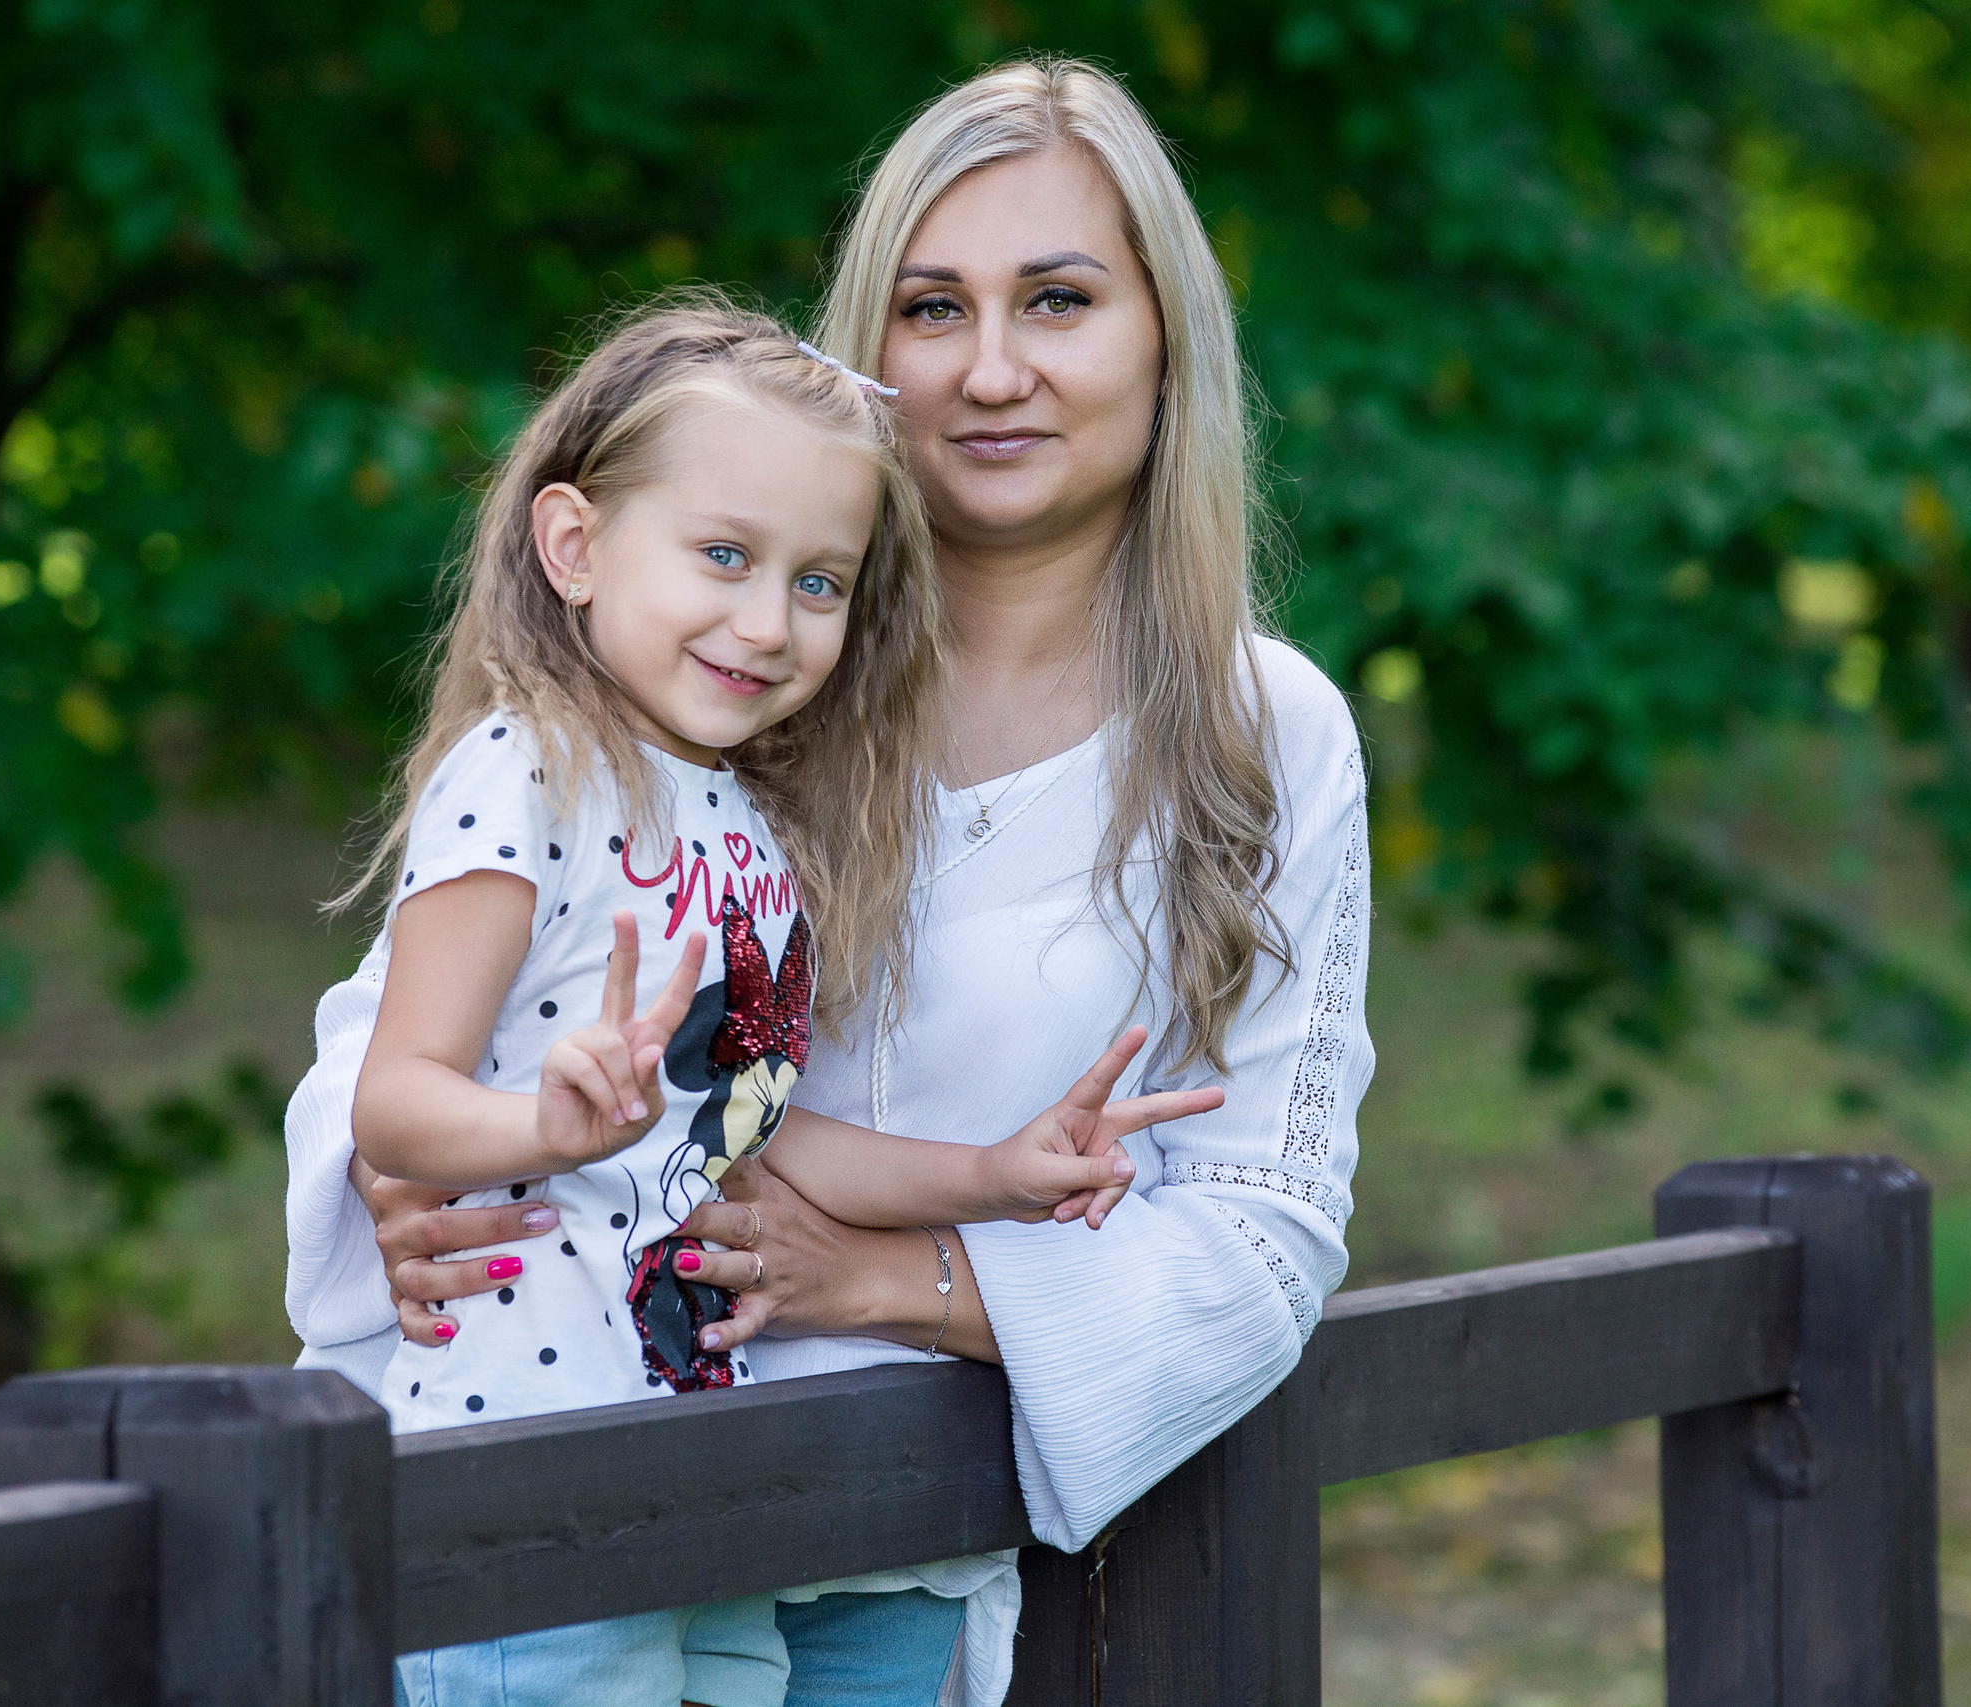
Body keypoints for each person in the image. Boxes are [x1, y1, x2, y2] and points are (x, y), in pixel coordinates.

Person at [286, 59, 1373, 1706]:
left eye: (1059, 300)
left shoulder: (1254, 733)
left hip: (889, 1541)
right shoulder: (724, 671)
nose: (991, 369)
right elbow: (403, 1040)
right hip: (572, 1493)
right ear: (870, 351)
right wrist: (403, 1183)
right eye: (934, 308)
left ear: (1166, 338)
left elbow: (1266, 1237)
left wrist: (881, 1281)